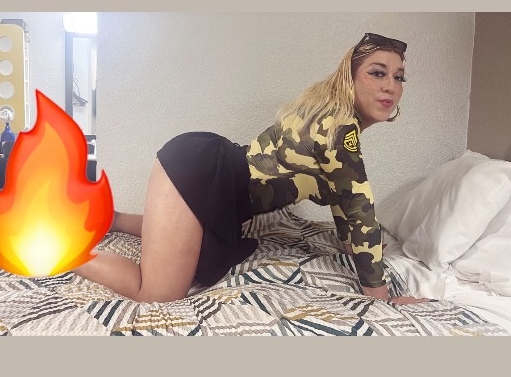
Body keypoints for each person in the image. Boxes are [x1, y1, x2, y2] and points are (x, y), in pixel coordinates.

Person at [73, 32, 428, 307]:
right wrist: (379, 295)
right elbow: (359, 207)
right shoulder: (338, 129)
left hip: (218, 189)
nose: (390, 86)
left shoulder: (330, 117)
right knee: (156, 294)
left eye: (399, 77)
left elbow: (343, 199)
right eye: (378, 73)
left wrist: (350, 245)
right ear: (349, 79)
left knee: (188, 243)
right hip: (203, 171)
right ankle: (63, 252)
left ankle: (111, 220)